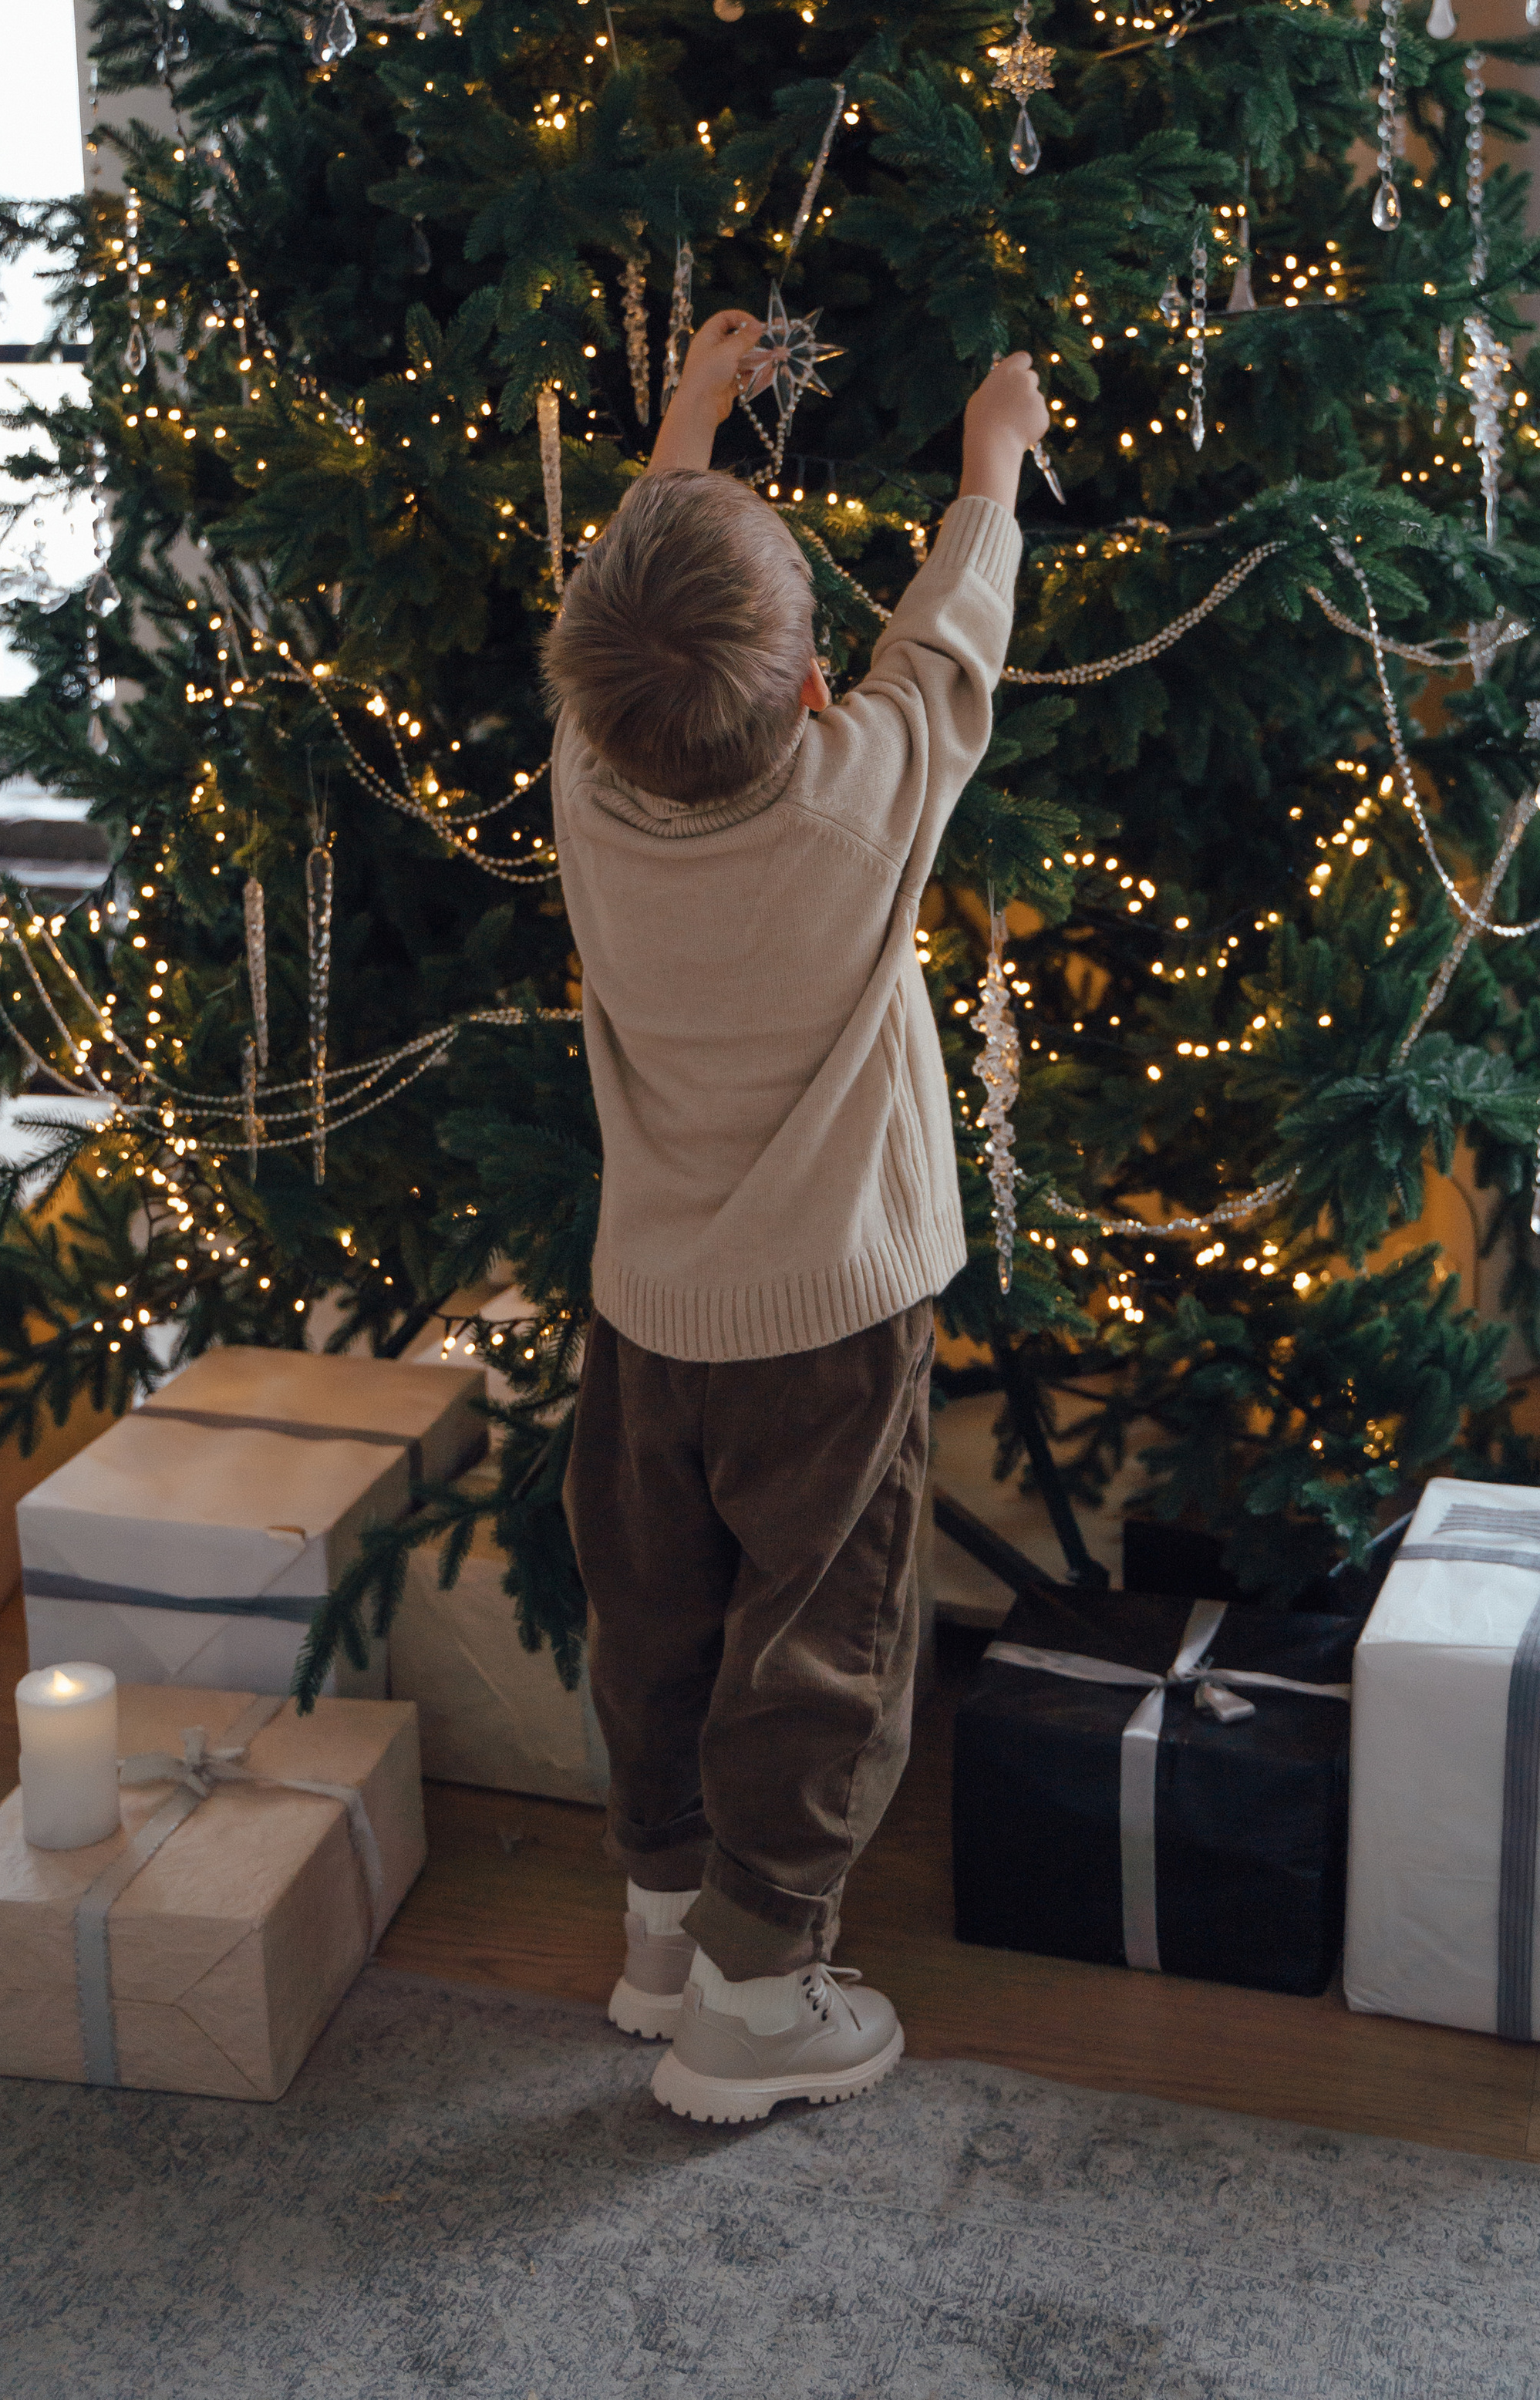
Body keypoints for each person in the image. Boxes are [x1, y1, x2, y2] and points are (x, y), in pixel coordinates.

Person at [547, 307, 1046, 2125]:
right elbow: (956, 643)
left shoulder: (587, 793)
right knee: (817, 1652)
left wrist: (686, 412)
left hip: (646, 1311)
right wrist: (991, 456)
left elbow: (629, 610)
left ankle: (659, 1927)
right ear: (816, 694)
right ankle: (757, 2003)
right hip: (826, 1330)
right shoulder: (860, 801)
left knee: (654, 1616)